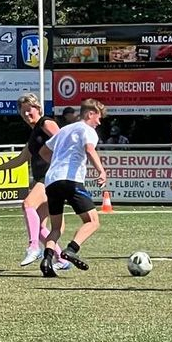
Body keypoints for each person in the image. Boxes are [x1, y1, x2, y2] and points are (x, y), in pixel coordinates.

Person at [0, 93, 71, 270]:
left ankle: (33, 248)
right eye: (22, 112)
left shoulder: (46, 123)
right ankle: (62, 260)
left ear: (38, 108)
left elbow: (63, 142)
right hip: (44, 178)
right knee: (39, 226)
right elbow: (21, 159)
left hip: (50, 177)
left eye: (29, 110)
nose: (26, 115)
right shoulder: (34, 134)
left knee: (27, 204)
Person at [37, 99, 109, 277]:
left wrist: (56, 163)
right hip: (71, 180)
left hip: (51, 181)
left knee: (55, 228)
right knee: (93, 221)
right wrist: (101, 171)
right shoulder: (88, 130)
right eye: (98, 118)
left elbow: (43, 152)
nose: (99, 122)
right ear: (90, 113)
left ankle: (47, 260)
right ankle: (71, 250)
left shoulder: (64, 131)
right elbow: (90, 150)